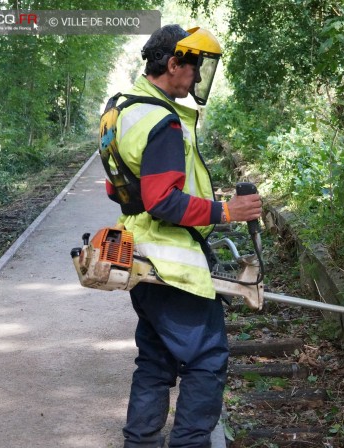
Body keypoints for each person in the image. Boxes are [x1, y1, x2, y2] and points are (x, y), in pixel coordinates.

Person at [106, 25, 262, 448]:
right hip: (172, 263)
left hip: (140, 256)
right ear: (174, 64)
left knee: (155, 361)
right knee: (206, 360)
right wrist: (226, 211)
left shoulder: (124, 109)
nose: (196, 79)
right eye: (195, 69)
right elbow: (164, 203)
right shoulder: (163, 122)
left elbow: (116, 186)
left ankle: (140, 442)